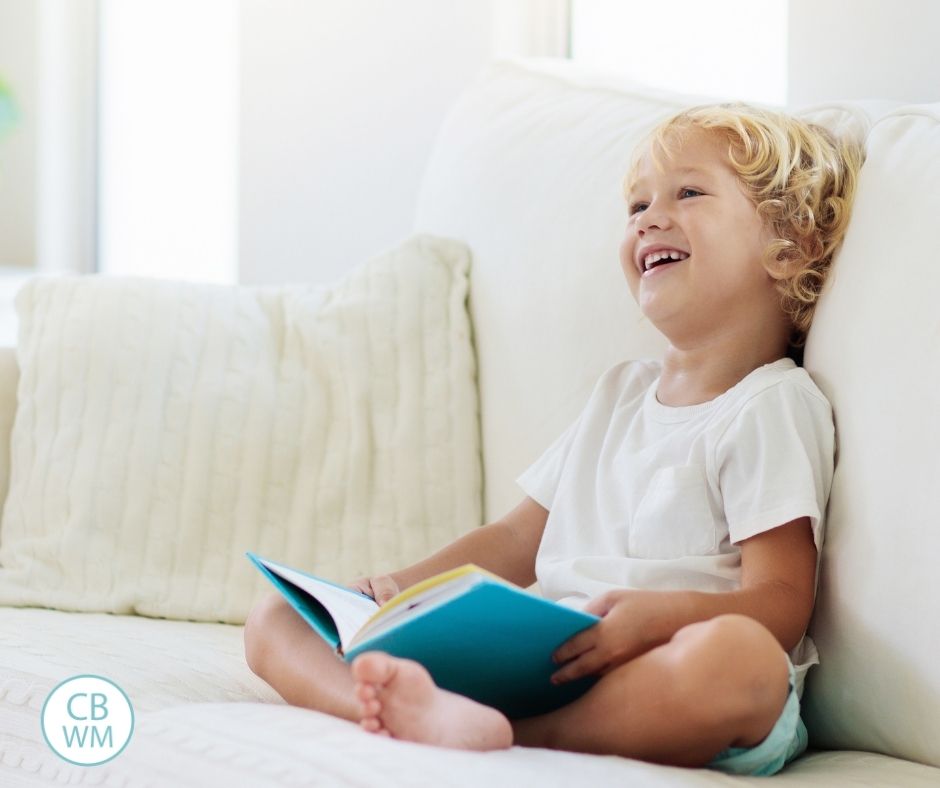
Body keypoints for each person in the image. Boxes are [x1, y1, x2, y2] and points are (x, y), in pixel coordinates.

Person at [243, 103, 864, 776]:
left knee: (740, 661)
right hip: (554, 658)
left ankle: (513, 734)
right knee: (278, 616)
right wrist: (397, 590)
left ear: (789, 245)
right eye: (636, 205)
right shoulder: (618, 396)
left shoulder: (770, 404)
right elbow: (516, 541)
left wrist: (658, 620)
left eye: (688, 192)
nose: (649, 217)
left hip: (666, 667)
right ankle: (401, 715)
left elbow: (780, 604)